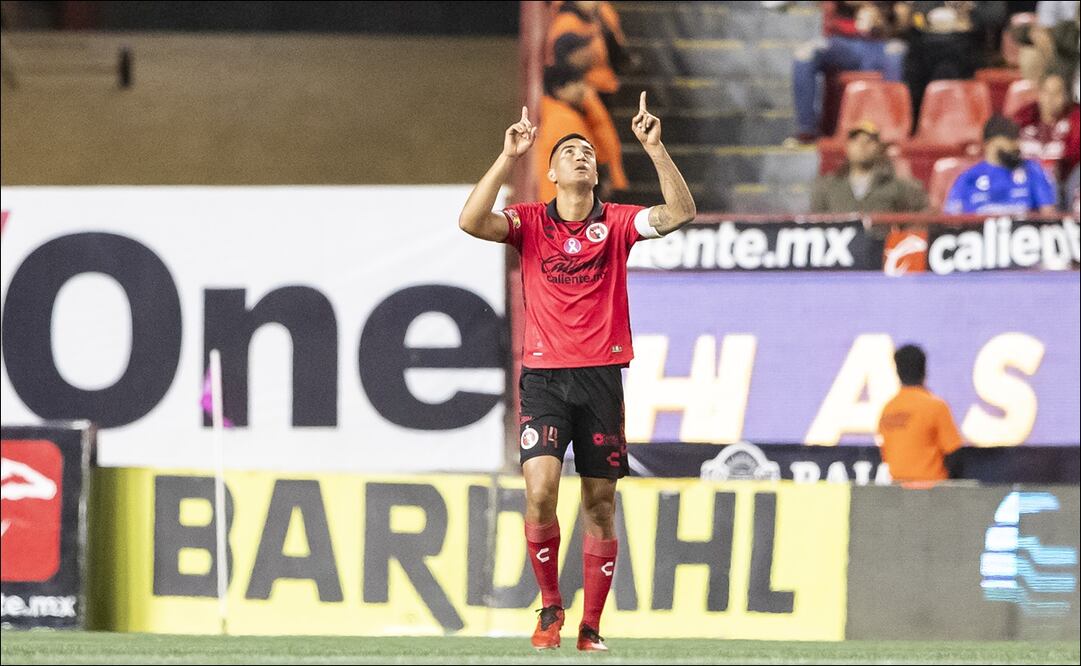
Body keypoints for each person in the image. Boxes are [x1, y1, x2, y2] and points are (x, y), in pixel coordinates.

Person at [458, 93, 695, 652]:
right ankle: (550, 607)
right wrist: (505, 155)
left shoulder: (615, 223)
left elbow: (681, 212)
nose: (582, 155)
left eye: (588, 150)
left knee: (599, 502)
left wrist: (655, 149)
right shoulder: (530, 222)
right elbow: (470, 221)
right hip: (544, 377)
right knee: (540, 489)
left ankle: (591, 625)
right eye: (569, 150)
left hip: (600, 379)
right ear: (551, 173)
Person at [789, 1, 907, 143]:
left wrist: (882, 18)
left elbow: (904, 16)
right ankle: (806, 129)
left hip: (880, 43)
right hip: (842, 43)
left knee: (896, 54)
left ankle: (891, 125)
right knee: (805, 54)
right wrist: (869, 5)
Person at [877, 344, 963, 483]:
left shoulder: (888, 409)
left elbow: (885, 453)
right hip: (932, 491)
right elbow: (954, 453)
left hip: (898, 491)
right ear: (924, 370)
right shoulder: (935, 406)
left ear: (897, 371)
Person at [943, 115, 1058, 214]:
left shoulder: (1032, 171)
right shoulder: (968, 178)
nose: (1016, 145)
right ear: (989, 144)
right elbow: (952, 221)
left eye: (1016, 139)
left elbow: (1048, 215)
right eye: (1009, 139)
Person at [810, 120, 929, 212]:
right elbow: (815, 223)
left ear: (879, 148)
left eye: (869, 140)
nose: (862, 145)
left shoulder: (896, 184)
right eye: (856, 140)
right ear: (847, 147)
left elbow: (923, 210)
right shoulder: (828, 186)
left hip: (881, 242)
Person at [1013, 71, 1080, 191]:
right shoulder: (1023, 119)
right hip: (1023, 180)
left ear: (1066, 96)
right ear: (1039, 93)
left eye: (1057, 93)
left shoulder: (1074, 122)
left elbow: (1073, 160)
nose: (1051, 98)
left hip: (1060, 183)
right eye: (1046, 92)